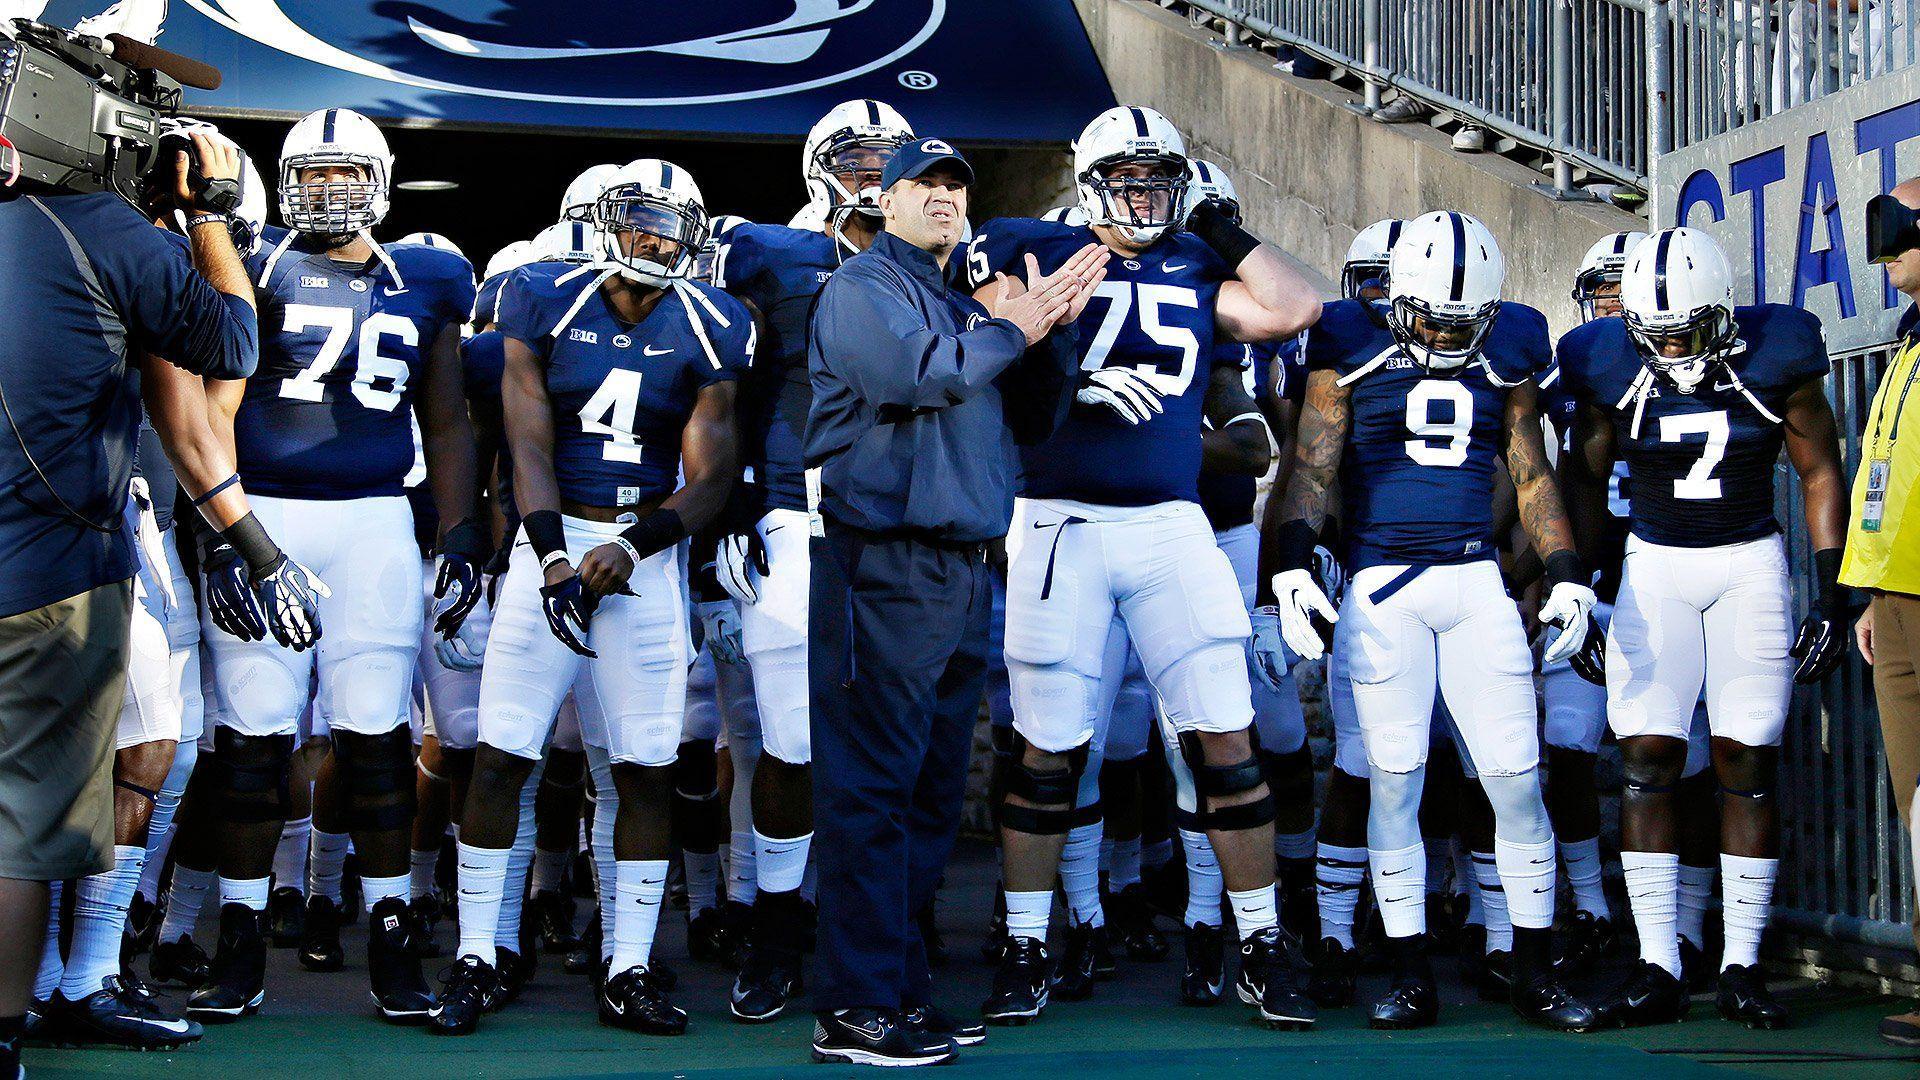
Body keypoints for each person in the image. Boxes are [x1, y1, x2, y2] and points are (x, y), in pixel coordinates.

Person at [968, 107, 1320, 1033]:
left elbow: (1295, 309)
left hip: (1171, 525)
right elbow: (982, 329)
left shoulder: (1198, 262)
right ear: (1086, 179)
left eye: (1158, 176)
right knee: (1049, 751)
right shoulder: (1032, 244)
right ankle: (1026, 944)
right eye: (1125, 174)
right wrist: (1068, 371)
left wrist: (1224, 229)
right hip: (1060, 521)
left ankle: (1259, 945)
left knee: (1226, 741)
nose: (1143, 192)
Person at [430, 157, 752, 1039]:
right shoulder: (543, 296)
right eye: (638, 218)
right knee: (502, 753)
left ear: (692, 237)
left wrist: (637, 543)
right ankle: (474, 956)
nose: (652, 237)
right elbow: (524, 441)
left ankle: (630, 966)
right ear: (611, 223)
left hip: (643, 547)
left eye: (668, 223)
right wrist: (548, 555)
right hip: (554, 539)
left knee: (644, 766)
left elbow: (714, 469)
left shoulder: (714, 321)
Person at [1258, 210, 1599, 1033]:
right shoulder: (1347, 346)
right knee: (1395, 778)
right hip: (1384, 588)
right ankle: (1410, 971)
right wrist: (1291, 567)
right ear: (1394, 297)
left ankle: (1533, 968)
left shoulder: (1509, 350)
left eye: (1462, 322)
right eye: (1429, 317)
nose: (1445, 334)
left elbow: (1531, 470)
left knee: (1517, 778)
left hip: (1475, 579)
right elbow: (1310, 469)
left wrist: (1565, 572)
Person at [805, 137, 1099, 1066]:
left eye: (954, 185)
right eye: (921, 184)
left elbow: (1030, 420)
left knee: (931, 799)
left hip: (965, 566)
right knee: (872, 794)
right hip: (884, 563)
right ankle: (852, 1007)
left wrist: (1050, 336)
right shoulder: (863, 287)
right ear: (880, 202)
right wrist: (1009, 328)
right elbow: (914, 375)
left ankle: (898, 990)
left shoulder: (960, 300)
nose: (941, 197)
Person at [191, 107, 483, 1024]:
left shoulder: (429, 274)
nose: (325, 189)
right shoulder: (256, 262)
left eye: (344, 172)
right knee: (252, 742)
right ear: (285, 181)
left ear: (382, 178)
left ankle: (392, 932)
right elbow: (213, 403)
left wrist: (461, 528)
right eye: (309, 173)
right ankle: (239, 939)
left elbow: (445, 418)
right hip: (265, 508)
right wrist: (221, 532)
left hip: (373, 522)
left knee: (378, 740)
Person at [0, 124, 260, 1079]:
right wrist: (256, 549)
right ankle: (39, 999)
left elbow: (201, 423)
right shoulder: (110, 236)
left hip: (101, 529)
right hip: (66, 553)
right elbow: (207, 407)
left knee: (152, 749)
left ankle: (81, 975)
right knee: (37, 803)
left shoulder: (106, 239)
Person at [1559, 227, 1846, 1029]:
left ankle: (1741, 964)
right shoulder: (1605, 358)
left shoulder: (1777, 351)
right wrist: (1576, 584)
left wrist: (1830, 591)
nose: (1673, 349)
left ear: (1721, 314)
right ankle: (1656, 963)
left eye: (1686, 332)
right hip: (1655, 568)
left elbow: (1819, 466)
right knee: (1647, 756)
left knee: (1745, 759)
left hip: (1747, 564)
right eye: (1655, 337)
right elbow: (1580, 479)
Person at [708, 98, 917, 1024]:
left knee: (897, 739)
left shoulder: (945, 252)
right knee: (791, 737)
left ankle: (876, 925)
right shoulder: (769, 252)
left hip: (908, 520)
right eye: (858, 158)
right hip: (798, 509)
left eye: (889, 158)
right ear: (818, 166)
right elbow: (725, 386)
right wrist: (734, 506)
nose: (875, 173)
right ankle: (778, 922)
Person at [1846, 176, 1920, 1047]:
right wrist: (1870, 591)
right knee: (1916, 801)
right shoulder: (1905, 341)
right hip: (1896, 597)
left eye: (1904, 223)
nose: (1889, 239)